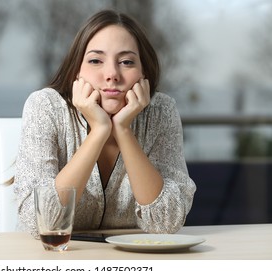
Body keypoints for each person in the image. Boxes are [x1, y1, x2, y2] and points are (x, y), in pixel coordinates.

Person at [13, 9, 196, 238]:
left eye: (127, 62)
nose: (112, 74)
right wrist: (99, 131)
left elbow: (166, 223)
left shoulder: (161, 112)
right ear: (76, 71)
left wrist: (123, 130)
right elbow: (43, 222)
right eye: (95, 60)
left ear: (144, 73)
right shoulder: (45, 107)